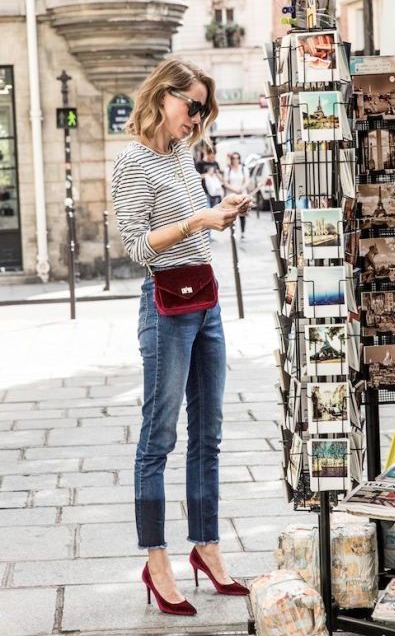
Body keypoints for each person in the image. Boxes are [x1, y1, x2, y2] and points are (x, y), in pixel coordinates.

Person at [111, 58, 251, 617]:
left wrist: (220, 213)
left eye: (201, 109)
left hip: (207, 299)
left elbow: (194, 230)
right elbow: (139, 247)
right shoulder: (133, 162)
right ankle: (157, 558)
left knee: (209, 434)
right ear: (162, 97)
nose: (195, 117)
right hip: (166, 306)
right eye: (190, 106)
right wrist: (198, 221)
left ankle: (207, 545)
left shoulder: (179, 157)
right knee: (159, 436)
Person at [223, 152, 250, 239]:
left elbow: (247, 180)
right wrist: (234, 189)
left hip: (242, 195)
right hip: (231, 195)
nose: (235, 160)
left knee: (242, 214)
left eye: (237, 158)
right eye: (233, 158)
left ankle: (243, 233)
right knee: (232, 215)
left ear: (239, 159)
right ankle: (232, 232)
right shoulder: (228, 170)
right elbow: (225, 183)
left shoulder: (244, 169)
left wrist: (242, 188)